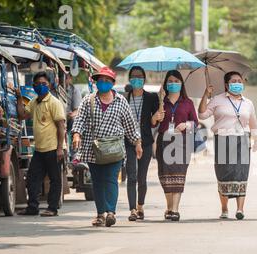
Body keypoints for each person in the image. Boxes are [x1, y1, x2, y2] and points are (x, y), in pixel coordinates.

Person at [71, 67, 142, 227]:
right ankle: (100, 214)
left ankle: (111, 212)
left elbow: (130, 125)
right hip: (93, 149)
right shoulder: (88, 100)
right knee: (97, 181)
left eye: (106, 80)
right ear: (96, 83)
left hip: (114, 149)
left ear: (112, 83)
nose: (103, 83)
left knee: (110, 179)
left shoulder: (121, 101)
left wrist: (137, 142)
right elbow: (80, 120)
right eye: (100, 80)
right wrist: (76, 134)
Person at [198, 71, 257, 220]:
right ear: (227, 84)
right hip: (223, 139)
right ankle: (224, 208)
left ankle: (240, 209)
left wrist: (256, 139)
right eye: (234, 81)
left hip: (242, 140)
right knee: (224, 174)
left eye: (240, 81)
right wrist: (206, 94)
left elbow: (253, 123)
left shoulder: (248, 103)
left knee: (241, 173)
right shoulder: (217, 100)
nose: (238, 83)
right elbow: (202, 114)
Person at [16, 71, 66, 217]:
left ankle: (52, 208)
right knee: (33, 178)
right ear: (34, 86)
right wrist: (19, 98)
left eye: (44, 84)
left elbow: (61, 126)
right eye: (38, 84)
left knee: (55, 179)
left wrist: (59, 148)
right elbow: (22, 115)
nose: (41, 86)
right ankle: (32, 207)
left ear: (49, 85)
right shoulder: (34, 102)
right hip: (39, 149)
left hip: (53, 148)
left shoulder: (54, 103)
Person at [151, 70, 198, 221]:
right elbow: (153, 123)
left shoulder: (188, 102)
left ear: (181, 84)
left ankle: (175, 210)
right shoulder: (161, 102)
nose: (173, 84)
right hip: (164, 141)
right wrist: (157, 111)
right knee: (165, 176)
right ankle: (169, 207)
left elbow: (195, 123)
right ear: (166, 84)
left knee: (179, 175)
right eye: (170, 81)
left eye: (176, 81)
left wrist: (186, 124)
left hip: (181, 142)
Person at [124, 66, 160, 221]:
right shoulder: (124, 98)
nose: (136, 79)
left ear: (144, 79)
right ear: (130, 79)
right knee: (131, 176)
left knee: (141, 177)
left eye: (139, 76)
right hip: (128, 141)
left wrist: (156, 117)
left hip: (145, 141)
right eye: (133, 76)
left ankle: (140, 206)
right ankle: (132, 210)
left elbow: (154, 123)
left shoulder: (152, 97)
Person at [65, 67, 82, 132]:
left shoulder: (74, 90)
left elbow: (77, 110)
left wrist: (70, 116)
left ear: (70, 79)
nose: (63, 79)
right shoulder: (54, 90)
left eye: (66, 78)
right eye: (61, 77)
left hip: (68, 121)